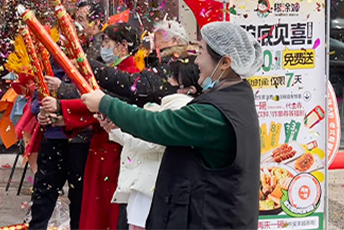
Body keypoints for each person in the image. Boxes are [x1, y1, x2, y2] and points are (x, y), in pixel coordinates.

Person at [82, 21, 263, 229]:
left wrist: (106, 103)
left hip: (211, 220)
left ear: (225, 63)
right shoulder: (236, 98)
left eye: (201, 52)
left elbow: (157, 125)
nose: (196, 61)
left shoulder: (213, 113)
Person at [41, 23, 141, 230]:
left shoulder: (129, 74)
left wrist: (62, 102)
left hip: (115, 149)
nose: (103, 46)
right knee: (96, 203)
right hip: (101, 146)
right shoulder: (115, 71)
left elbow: (104, 102)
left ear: (123, 46)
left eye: (107, 42)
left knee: (106, 205)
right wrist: (62, 117)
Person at [104, 58, 202, 230]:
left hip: (151, 186)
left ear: (189, 88)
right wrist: (115, 129)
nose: (168, 81)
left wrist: (122, 125)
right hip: (144, 185)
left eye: (174, 78)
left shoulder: (181, 106)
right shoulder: (166, 104)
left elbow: (152, 139)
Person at [29, 64, 91, 230]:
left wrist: (61, 89)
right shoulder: (47, 64)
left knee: (79, 194)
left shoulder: (87, 62)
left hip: (80, 140)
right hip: (52, 138)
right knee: (43, 191)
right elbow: (36, 99)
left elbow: (91, 95)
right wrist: (40, 112)